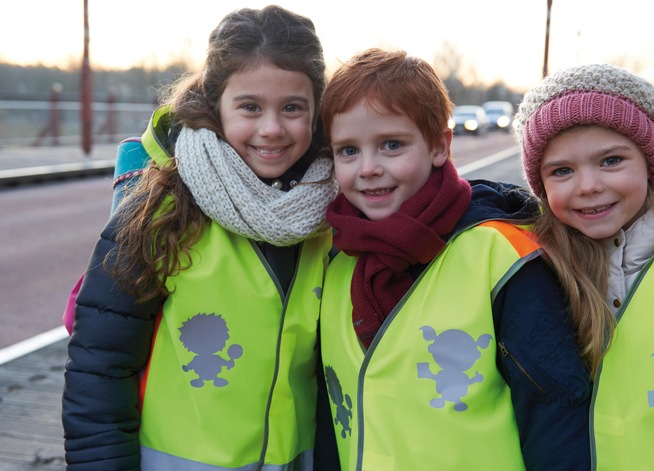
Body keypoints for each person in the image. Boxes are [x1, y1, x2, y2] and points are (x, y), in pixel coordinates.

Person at [62, 5, 341, 470]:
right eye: (250, 107)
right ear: (215, 106)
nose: (271, 129)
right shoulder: (159, 213)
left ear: (316, 113)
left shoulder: (331, 218)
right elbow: (100, 366)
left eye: (292, 108)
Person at [317, 48, 592, 470]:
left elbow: (556, 414)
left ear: (439, 146)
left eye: (392, 145)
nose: (368, 167)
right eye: (348, 151)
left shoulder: (501, 255)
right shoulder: (335, 260)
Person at [514, 63, 654, 470]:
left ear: (650, 160)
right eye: (562, 171)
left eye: (611, 161)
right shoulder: (538, 263)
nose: (587, 185)